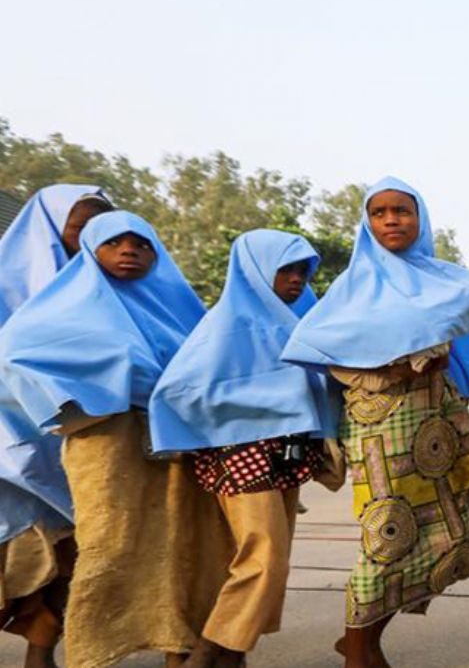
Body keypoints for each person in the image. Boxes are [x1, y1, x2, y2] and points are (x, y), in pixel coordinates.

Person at [282, 176, 469, 668]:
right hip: (380, 429)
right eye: (379, 213)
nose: (391, 221)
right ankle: (358, 648)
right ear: (367, 222)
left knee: (448, 532)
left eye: (401, 211)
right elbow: (316, 346)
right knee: (386, 536)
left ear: (420, 218)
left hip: (440, 421)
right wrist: (392, 368)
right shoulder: (352, 289)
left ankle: (364, 635)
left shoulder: (449, 280)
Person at [0, 211, 232, 668]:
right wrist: (90, 396)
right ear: (91, 251)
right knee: (110, 547)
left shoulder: (181, 310)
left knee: (182, 546)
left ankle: (177, 647)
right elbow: (13, 359)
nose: (129, 251)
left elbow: (211, 367)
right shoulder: (61, 308)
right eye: (115, 243)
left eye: (141, 244)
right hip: (106, 447)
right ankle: (90, 653)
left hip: (177, 451)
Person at [148, 230, 338, 667]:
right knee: (265, 556)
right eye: (285, 269)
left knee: (270, 558)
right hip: (240, 458)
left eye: (302, 271)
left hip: (287, 458)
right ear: (254, 269)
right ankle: (208, 650)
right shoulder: (225, 324)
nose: (296, 279)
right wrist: (259, 406)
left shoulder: (297, 324)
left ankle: (233, 653)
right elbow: (176, 391)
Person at [0, 185, 112, 668]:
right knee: (9, 554)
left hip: (72, 446)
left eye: (98, 227)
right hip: (9, 444)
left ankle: (40, 649)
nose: (88, 236)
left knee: (69, 556)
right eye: (79, 225)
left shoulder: (101, 287)